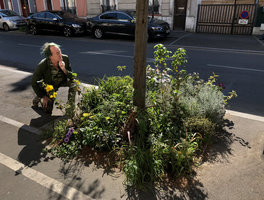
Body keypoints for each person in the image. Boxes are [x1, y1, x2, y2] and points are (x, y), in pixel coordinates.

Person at [31, 42, 76, 114]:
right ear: (50, 56)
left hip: (62, 81)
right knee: (48, 111)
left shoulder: (65, 59)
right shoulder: (43, 65)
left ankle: (70, 108)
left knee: (74, 83)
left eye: (60, 51)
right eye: (57, 53)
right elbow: (33, 82)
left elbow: (73, 76)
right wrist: (43, 96)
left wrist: (64, 69)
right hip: (51, 86)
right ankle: (39, 97)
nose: (60, 55)